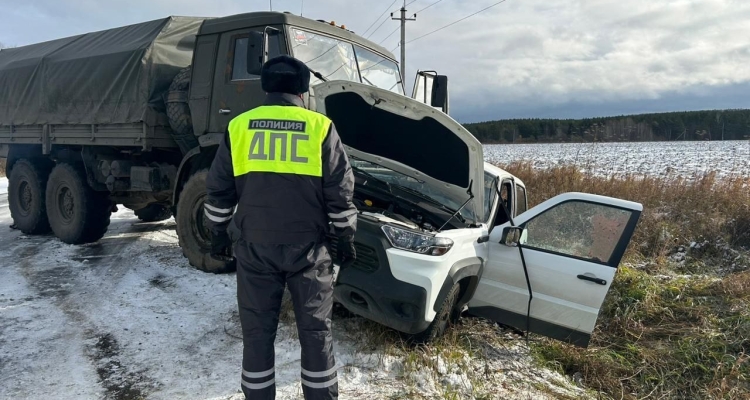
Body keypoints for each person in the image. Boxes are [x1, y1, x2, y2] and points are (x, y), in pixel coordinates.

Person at [204, 55, 357, 400]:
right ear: (303, 91)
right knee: (316, 333)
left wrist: (216, 233)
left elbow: (219, 190)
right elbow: (340, 191)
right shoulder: (320, 127)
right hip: (310, 250)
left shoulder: (240, 126)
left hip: (255, 249)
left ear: (267, 87)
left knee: (257, 334)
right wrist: (345, 238)